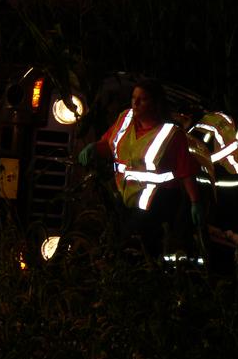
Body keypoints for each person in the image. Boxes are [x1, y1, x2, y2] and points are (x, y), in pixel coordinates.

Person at [77, 78, 204, 258]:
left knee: (135, 245)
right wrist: (94, 148)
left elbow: (185, 171)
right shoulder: (126, 119)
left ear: (155, 104)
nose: (135, 104)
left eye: (142, 99)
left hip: (158, 200)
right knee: (121, 242)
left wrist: (195, 202)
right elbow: (110, 144)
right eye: (133, 98)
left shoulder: (171, 134)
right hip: (125, 195)